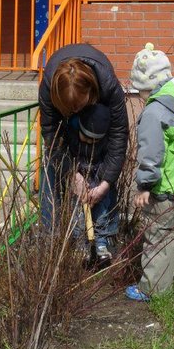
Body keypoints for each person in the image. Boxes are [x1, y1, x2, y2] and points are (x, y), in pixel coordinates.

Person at [125, 43, 174, 301]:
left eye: (139, 90)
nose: (139, 96)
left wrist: (145, 184)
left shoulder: (154, 111)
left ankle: (154, 287)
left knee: (159, 235)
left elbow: (151, 152)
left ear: (146, 86)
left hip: (166, 188)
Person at [38, 43, 129, 260]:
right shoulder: (48, 89)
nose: (75, 111)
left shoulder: (108, 86)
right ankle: (52, 240)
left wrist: (106, 182)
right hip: (67, 132)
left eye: (79, 105)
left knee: (101, 176)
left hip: (98, 123)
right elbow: (52, 135)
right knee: (52, 173)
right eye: (70, 108)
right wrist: (72, 174)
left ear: (90, 90)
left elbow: (118, 136)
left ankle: (104, 237)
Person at [68, 103, 118, 266]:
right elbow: (66, 158)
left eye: (95, 140)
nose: (90, 142)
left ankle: (101, 243)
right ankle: (80, 245)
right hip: (78, 182)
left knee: (102, 211)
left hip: (97, 180)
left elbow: (111, 161)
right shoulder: (72, 132)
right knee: (78, 214)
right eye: (87, 137)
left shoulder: (108, 139)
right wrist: (74, 176)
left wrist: (99, 186)